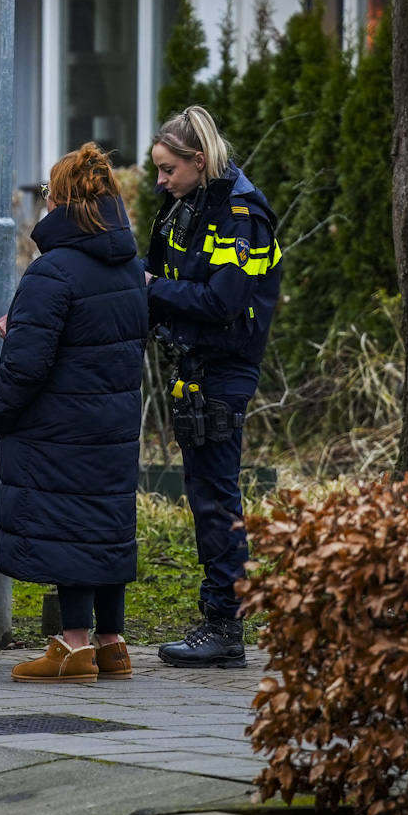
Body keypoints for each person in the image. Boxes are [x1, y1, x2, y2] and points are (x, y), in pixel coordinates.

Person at [0, 145, 149, 683]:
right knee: (104, 524)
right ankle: (113, 644)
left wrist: (0, 412)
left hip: (59, 428)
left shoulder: (52, 270)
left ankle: (72, 648)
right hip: (114, 425)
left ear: (59, 202)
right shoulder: (130, 267)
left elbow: (29, 366)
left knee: (69, 527)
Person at [144, 106, 280, 669]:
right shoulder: (186, 206)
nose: (160, 181)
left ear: (199, 162)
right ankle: (218, 616)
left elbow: (223, 302)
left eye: (168, 169)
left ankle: (226, 624)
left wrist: (148, 288)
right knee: (206, 493)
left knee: (216, 495)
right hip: (194, 367)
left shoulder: (239, 213)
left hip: (223, 368)